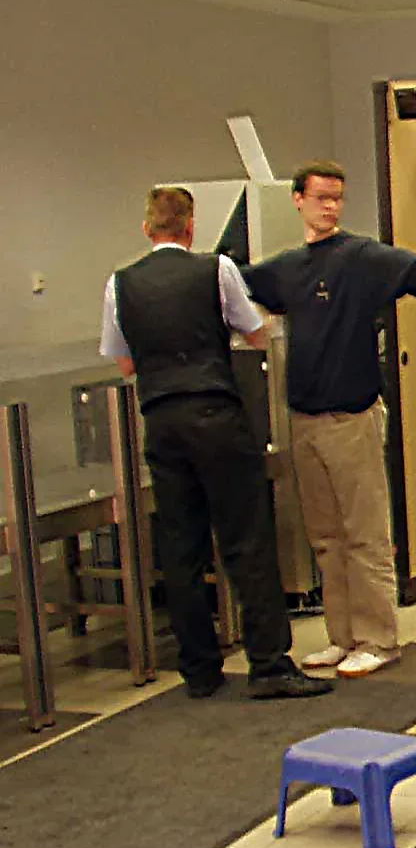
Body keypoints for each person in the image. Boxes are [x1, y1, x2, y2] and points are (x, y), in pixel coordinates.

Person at [100, 187, 332, 701]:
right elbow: (254, 333)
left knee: (181, 545)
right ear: (190, 227)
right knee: (246, 538)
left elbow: (124, 363)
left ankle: (199, 669)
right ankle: (268, 663)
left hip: (160, 419)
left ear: (147, 229)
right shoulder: (216, 270)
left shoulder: (121, 284)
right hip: (216, 413)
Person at [243, 161, 416, 679]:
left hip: (353, 415)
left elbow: (409, 268)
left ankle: (378, 638)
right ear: (297, 199)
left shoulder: (358, 256)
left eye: (337, 198)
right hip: (305, 418)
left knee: (364, 533)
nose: (330, 206)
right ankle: (341, 636)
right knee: (325, 535)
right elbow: (240, 284)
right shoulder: (288, 268)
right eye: (321, 197)